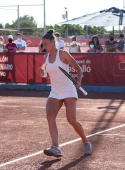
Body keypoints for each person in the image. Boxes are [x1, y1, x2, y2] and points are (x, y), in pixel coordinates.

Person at [38, 29, 92, 157]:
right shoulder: (45, 57)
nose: (44, 47)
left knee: (71, 120)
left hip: (68, 90)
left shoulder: (63, 54)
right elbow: (46, 73)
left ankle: (86, 142)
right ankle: (56, 147)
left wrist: (78, 80)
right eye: (42, 44)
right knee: (50, 116)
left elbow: (78, 68)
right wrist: (42, 72)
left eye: (46, 43)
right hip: (55, 91)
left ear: (52, 42)